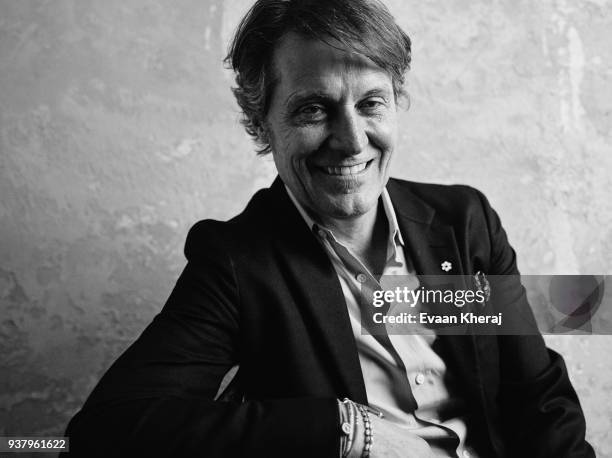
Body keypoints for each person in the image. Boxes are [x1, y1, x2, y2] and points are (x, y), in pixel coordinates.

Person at [64, 0, 594, 456]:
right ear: (262, 122)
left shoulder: (464, 222)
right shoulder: (237, 262)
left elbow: (538, 395)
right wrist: (346, 431)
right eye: (314, 109)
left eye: (370, 104)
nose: (352, 139)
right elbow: (107, 429)